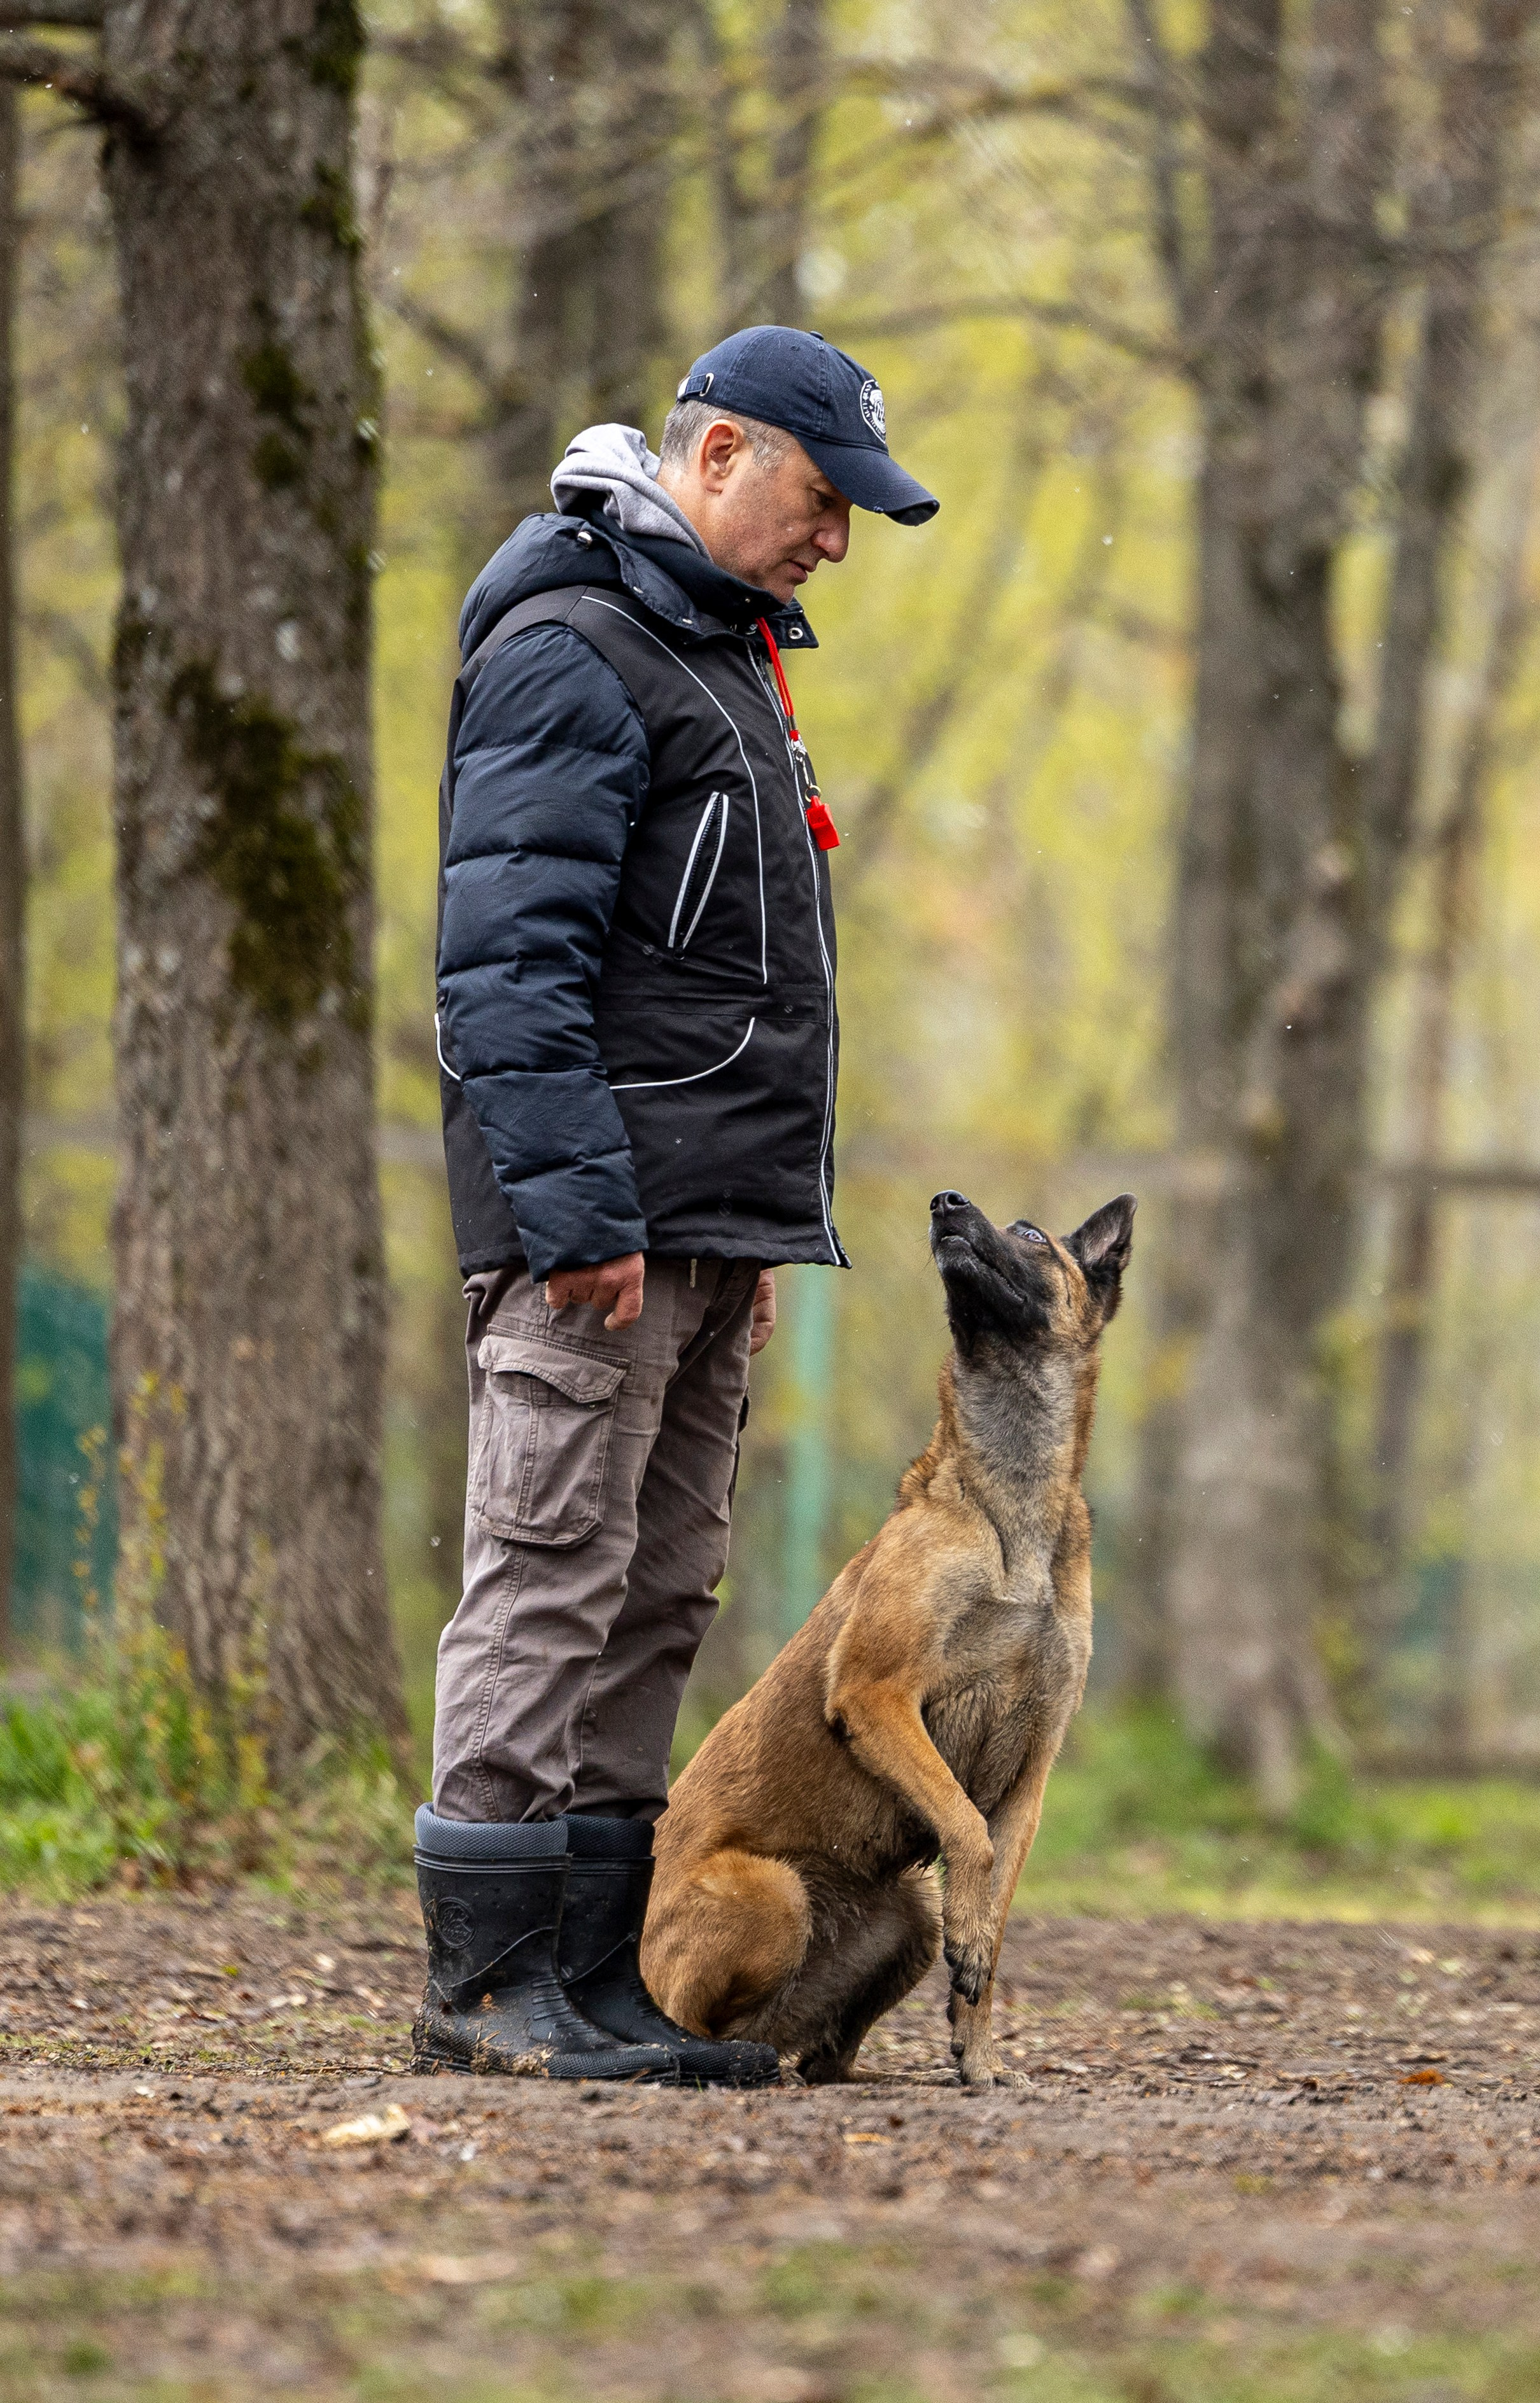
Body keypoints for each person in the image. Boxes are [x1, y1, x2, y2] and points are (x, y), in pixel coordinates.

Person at [414, 327, 939, 2087]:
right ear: (714, 454)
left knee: (656, 1592)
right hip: (595, 1237)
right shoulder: (576, 645)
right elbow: (508, 971)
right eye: (820, 498)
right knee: (550, 1581)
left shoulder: (715, 658)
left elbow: (720, 978)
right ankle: (486, 1995)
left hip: (699, 1234)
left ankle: (596, 1981)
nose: (836, 542)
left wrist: (748, 1232)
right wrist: (582, 1216)